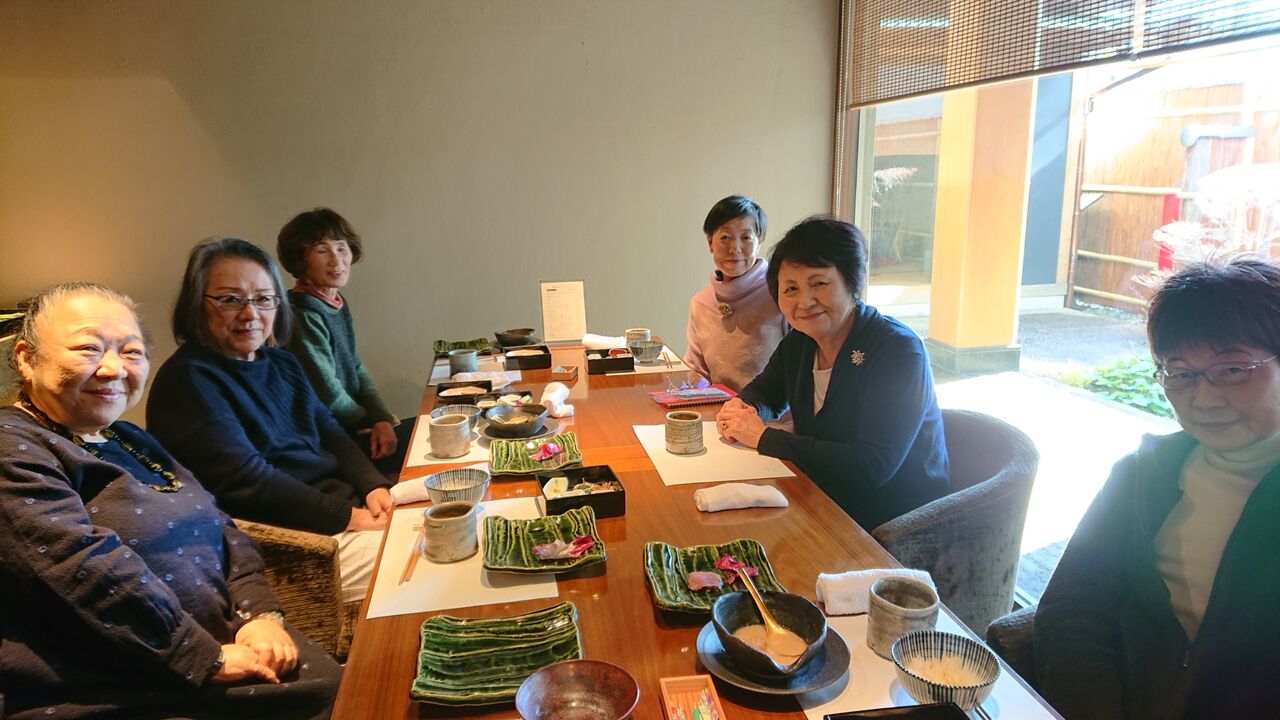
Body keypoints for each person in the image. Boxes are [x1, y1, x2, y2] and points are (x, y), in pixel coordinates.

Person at [0, 282, 340, 719]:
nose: (113, 368)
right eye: (88, 349)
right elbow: (77, 567)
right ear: (27, 359)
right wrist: (200, 656)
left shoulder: (126, 437)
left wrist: (260, 616)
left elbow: (220, 524)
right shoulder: (13, 445)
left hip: (225, 645)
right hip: (116, 683)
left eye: (131, 352)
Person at [1034, 256, 1280, 719]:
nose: (1203, 398)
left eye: (1233, 370)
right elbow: (1073, 609)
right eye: (1180, 373)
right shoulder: (1140, 477)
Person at [147, 237, 392, 604]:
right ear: (197, 305)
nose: (250, 314)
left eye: (263, 299)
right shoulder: (188, 380)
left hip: (343, 513)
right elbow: (250, 482)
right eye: (230, 300)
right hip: (297, 549)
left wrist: (373, 486)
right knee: (436, 561)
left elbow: (332, 433)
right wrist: (351, 517)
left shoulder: (281, 362)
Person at [715, 216, 949, 530]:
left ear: (852, 283)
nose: (804, 302)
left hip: (893, 523)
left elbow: (871, 466)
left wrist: (764, 437)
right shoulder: (800, 341)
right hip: (823, 497)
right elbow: (766, 392)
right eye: (791, 289)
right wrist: (744, 408)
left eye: (819, 284)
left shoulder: (898, 351)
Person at [276, 208, 411, 475]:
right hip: (329, 442)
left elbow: (357, 368)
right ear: (299, 260)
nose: (336, 260)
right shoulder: (302, 313)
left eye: (341, 248)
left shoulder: (334, 302)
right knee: (434, 439)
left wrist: (381, 417)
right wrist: (370, 424)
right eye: (322, 250)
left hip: (351, 428)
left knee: (439, 428)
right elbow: (328, 392)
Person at [683, 195, 789, 391]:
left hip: (770, 409)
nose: (735, 249)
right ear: (710, 242)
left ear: (760, 241)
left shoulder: (780, 295)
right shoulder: (700, 303)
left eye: (746, 238)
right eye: (725, 237)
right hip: (718, 408)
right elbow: (696, 371)